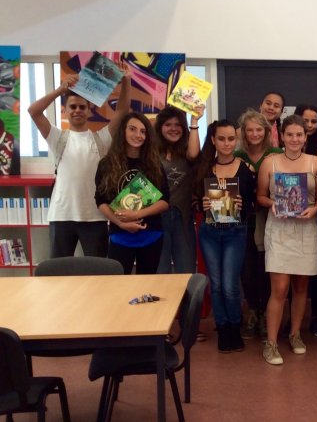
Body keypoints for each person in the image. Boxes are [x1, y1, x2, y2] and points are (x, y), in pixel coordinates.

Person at [28, 66, 131, 258]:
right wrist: (60, 90)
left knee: (97, 271)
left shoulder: (101, 139)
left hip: (95, 217)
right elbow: (34, 111)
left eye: (82, 107)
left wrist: (126, 81)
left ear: (89, 111)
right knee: (59, 271)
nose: (77, 110)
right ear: (65, 110)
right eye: (73, 107)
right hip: (61, 216)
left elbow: (122, 111)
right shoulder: (57, 137)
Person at [257, 115, 317, 365]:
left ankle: (295, 334)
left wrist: (315, 209)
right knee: (279, 288)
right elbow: (260, 196)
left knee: (300, 288)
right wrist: (273, 204)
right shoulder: (270, 162)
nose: (295, 139)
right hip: (279, 229)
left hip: (306, 230)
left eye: (299, 135)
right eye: (290, 134)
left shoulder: (315, 163)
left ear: (305, 137)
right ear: (282, 137)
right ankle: (271, 343)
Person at [195, 119, 256, 353]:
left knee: (230, 285)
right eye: (221, 138)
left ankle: (234, 325)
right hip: (209, 232)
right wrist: (201, 204)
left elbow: (253, 204)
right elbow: (194, 200)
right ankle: (222, 327)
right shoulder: (204, 168)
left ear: (236, 140)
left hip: (235, 232)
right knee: (216, 284)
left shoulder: (245, 169)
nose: (227, 143)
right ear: (213, 140)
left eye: (231, 138)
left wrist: (243, 204)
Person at [94, 112, 169, 274]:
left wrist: (137, 214)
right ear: (123, 131)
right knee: (119, 286)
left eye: (143, 131)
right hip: (120, 235)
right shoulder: (107, 164)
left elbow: (164, 201)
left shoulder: (154, 164)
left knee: (147, 286)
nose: (138, 135)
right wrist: (120, 223)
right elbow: (100, 201)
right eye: (132, 129)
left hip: (151, 235)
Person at [235, 109, 283, 340]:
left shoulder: (276, 154)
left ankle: (266, 314)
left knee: (267, 267)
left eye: (259, 130)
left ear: (266, 131)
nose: (254, 134)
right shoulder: (236, 155)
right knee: (247, 268)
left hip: (271, 218)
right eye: (250, 130)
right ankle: (252, 311)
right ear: (243, 133)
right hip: (242, 219)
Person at [154, 106, 202, 274]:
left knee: (186, 270)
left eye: (177, 125)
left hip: (183, 217)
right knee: (160, 271)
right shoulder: (152, 152)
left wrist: (194, 120)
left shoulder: (187, 151)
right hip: (157, 217)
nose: (173, 128)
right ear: (160, 127)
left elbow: (194, 154)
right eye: (168, 124)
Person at [295, 104, 317, 337]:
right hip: (291, 219)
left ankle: (316, 317)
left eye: (314, 121)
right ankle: (293, 319)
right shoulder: (288, 149)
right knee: (292, 272)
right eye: (305, 120)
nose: (309, 125)